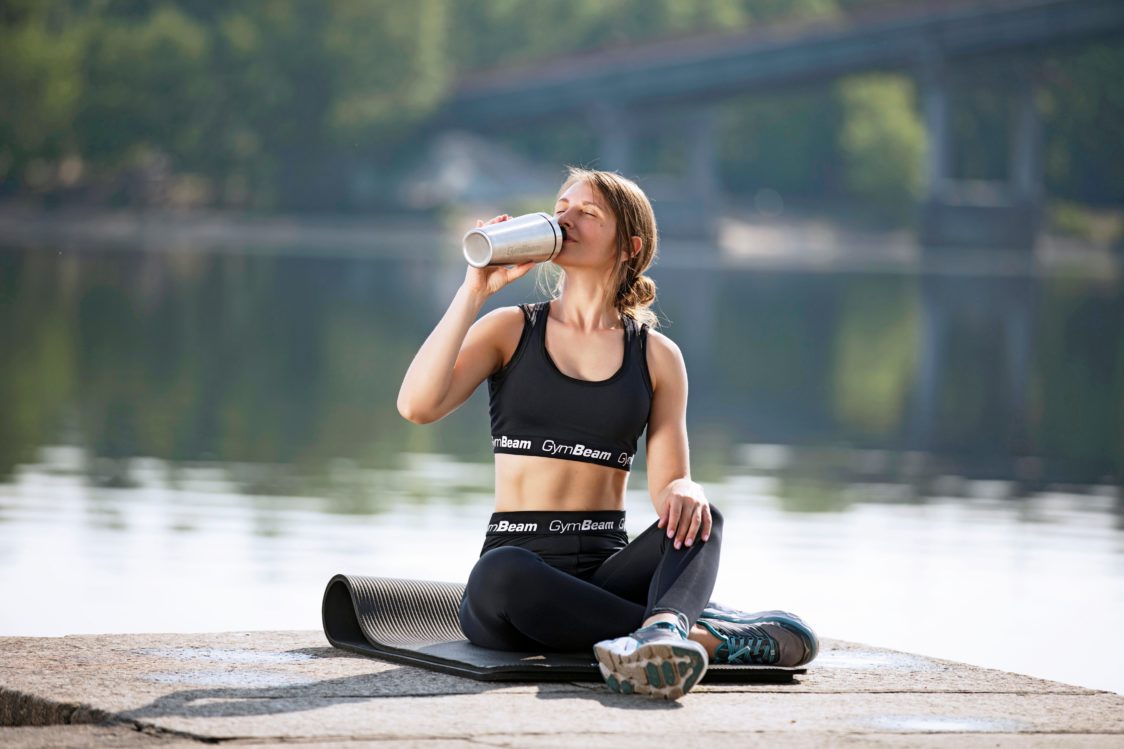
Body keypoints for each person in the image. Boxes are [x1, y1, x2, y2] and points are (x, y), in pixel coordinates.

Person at [397, 167, 817, 699]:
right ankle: (708, 636)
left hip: (607, 567)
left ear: (629, 246)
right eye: (562, 206)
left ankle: (661, 632)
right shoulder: (510, 328)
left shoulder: (658, 357)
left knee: (704, 518)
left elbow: (671, 489)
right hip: (518, 575)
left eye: (587, 213)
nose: (564, 218)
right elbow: (417, 406)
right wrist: (474, 289)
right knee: (501, 574)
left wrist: (686, 490)